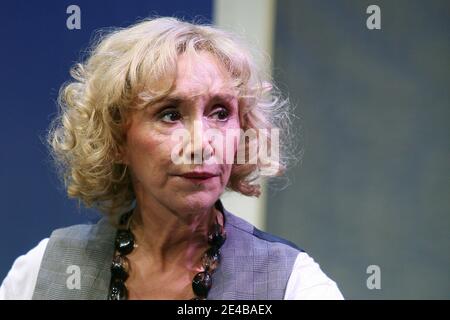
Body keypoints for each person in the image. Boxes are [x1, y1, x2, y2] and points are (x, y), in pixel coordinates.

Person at [0, 17, 343, 300]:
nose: (200, 144)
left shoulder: (292, 284)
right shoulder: (42, 271)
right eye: (169, 114)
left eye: (221, 113)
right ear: (117, 139)